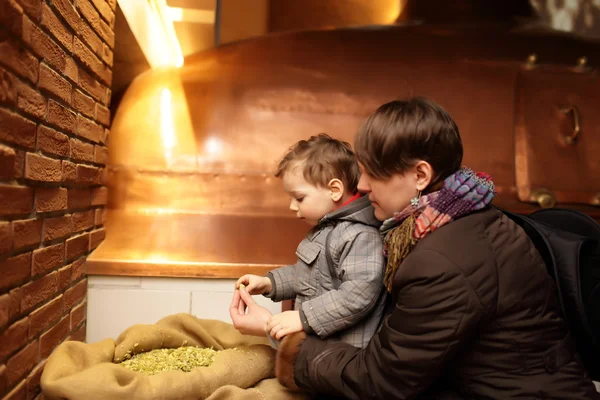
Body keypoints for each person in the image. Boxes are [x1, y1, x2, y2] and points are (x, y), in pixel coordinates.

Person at [231, 98, 600, 399]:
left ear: (420, 176)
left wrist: (282, 337)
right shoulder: (447, 225)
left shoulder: (444, 260)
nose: (361, 183)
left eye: (373, 171)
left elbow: (381, 379)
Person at [235, 134, 387, 348]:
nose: (292, 206)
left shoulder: (361, 236)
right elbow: (308, 275)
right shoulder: (326, 229)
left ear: (334, 190)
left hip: (342, 356)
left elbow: (357, 296)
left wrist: (302, 317)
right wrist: (270, 283)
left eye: (299, 198)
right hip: (316, 352)